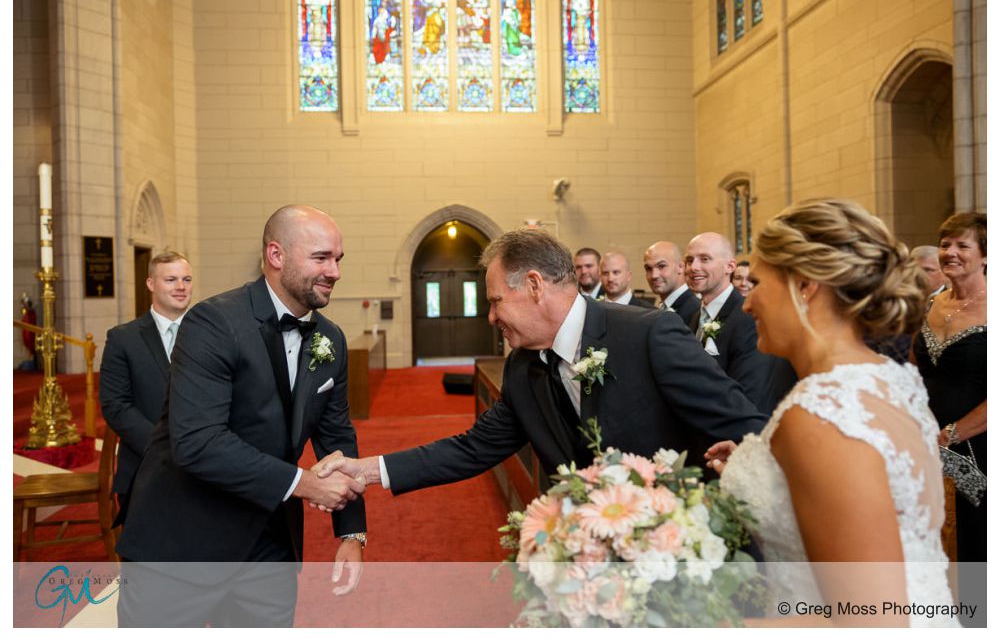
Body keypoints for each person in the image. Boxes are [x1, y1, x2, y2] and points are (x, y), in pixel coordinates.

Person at [315, 228, 766, 504]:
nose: (490, 317)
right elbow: (473, 449)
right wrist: (369, 469)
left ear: (534, 286)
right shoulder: (522, 368)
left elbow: (746, 429)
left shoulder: (650, 337)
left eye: (495, 301)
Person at [706, 198, 956, 626]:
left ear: (805, 285)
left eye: (759, 284)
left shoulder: (820, 415)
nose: (747, 305)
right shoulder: (888, 380)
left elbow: (871, 623)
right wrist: (764, 469)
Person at [115, 205, 367, 627]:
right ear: (276, 255)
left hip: (269, 546)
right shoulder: (213, 322)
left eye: (338, 260)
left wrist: (351, 531)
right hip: (182, 544)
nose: (335, 272)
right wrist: (303, 483)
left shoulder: (330, 339)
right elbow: (198, 443)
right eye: (321, 258)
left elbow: (338, 436)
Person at [912, 212, 986, 566]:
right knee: (932, 547)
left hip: (980, 447)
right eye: (945, 245)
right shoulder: (932, 304)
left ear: (985, 255)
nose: (950, 252)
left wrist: (951, 434)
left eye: (962, 245)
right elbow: (914, 370)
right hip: (926, 445)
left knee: (974, 549)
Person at [99, 250, 192, 514]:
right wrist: (164, 449)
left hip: (205, 472)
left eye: (186, 279)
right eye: (171, 279)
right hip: (145, 468)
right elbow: (115, 405)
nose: (181, 287)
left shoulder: (210, 333)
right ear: (151, 283)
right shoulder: (123, 339)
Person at [685, 233, 796, 414]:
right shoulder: (696, 316)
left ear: (730, 266)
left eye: (705, 259)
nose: (694, 267)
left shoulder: (748, 318)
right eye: (689, 260)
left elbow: (749, 394)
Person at [643, 240, 700, 321]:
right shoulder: (662, 306)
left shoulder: (694, 310)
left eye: (661, 266)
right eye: (648, 268)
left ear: (681, 267)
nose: (654, 275)